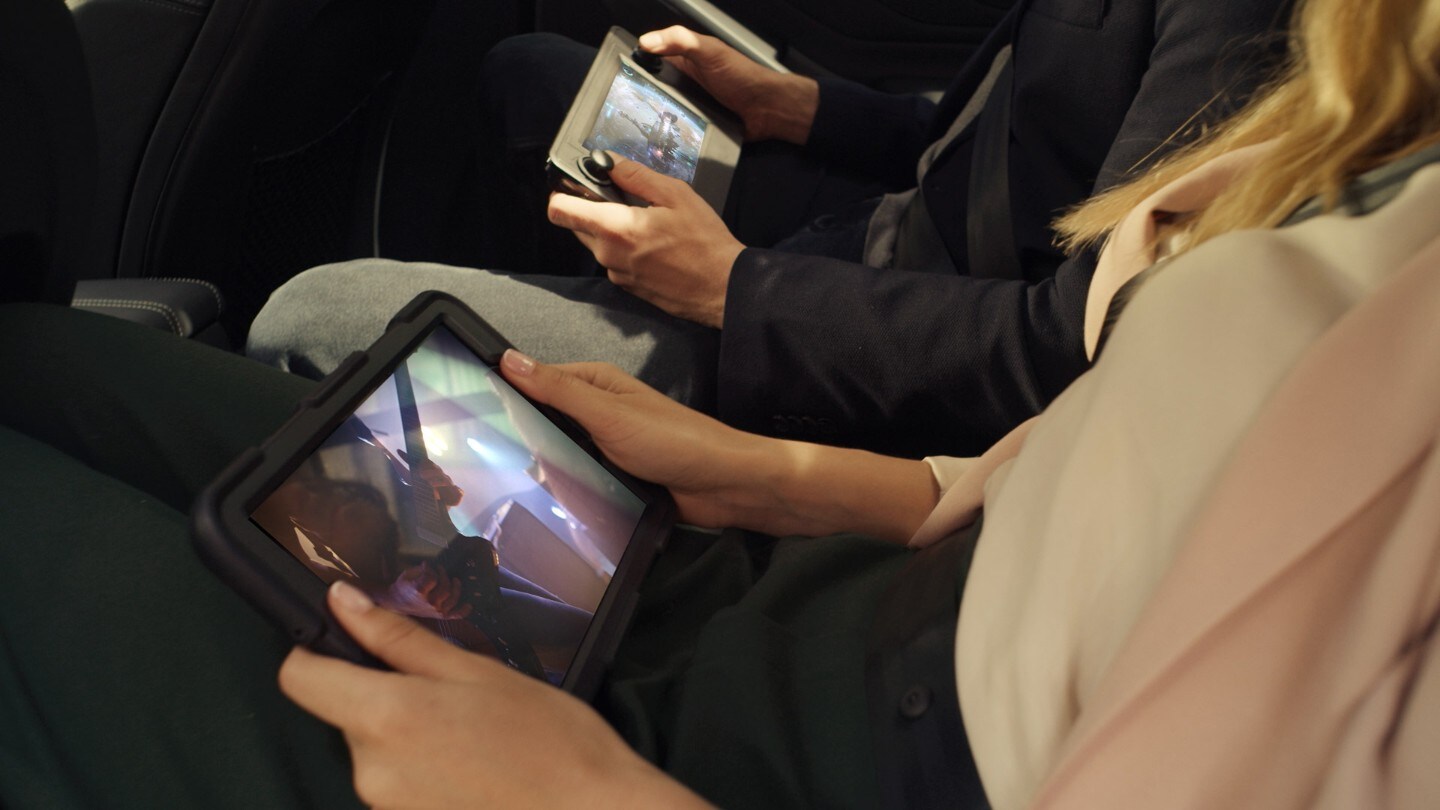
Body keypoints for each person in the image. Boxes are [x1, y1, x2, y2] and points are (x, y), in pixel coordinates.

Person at [3, 0, 1440, 807]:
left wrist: (593, 794)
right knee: (47, 360)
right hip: (802, 577)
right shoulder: (1385, 136)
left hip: (742, 758)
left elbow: (1051, 339)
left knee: (292, 336)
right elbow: (1099, 428)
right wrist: (780, 474)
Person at [247, 0, 1294, 459]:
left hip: (893, 357)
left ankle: (578, 384)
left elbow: (1067, 353)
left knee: (316, 314)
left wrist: (734, 291)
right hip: (881, 233)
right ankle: (575, 330)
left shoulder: (1259, 25)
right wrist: (799, 104)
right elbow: (1013, 142)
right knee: (531, 83)